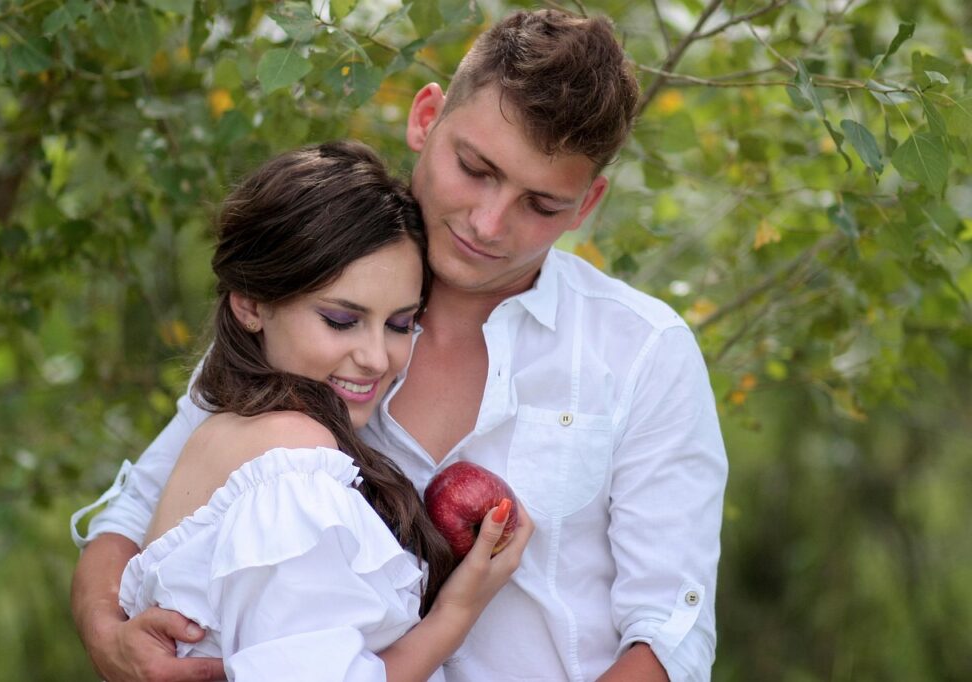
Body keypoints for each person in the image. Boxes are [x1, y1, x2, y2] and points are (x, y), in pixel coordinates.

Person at [71, 9, 728, 682]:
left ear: (586, 205)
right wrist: (109, 636)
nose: (488, 221)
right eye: (474, 168)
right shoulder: (304, 314)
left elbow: (668, 633)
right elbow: (136, 513)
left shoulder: (644, 351)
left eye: (542, 205)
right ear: (425, 118)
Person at [91, 140, 533, 681]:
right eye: (341, 320)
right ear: (251, 304)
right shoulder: (290, 466)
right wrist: (455, 614)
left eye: (399, 325)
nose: (376, 358)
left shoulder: (233, 432)